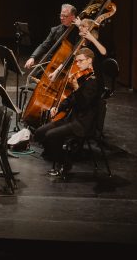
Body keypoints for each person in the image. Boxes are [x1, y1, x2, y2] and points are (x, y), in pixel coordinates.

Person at [33, 48, 103, 177]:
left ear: (89, 60)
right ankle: (57, 156)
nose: (78, 64)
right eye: (76, 61)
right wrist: (58, 108)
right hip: (72, 118)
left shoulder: (94, 82)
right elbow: (71, 98)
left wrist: (76, 87)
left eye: (80, 61)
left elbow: (83, 104)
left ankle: (65, 163)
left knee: (51, 135)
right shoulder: (83, 77)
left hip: (83, 123)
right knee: (40, 132)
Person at [24, 4, 79, 70]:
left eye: (65, 16)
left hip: (70, 66)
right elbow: (44, 45)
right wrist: (33, 57)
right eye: (61, 15)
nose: (61, 18)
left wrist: (81, 26)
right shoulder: (55, 30)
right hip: (52, 63)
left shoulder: (79, 31)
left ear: (73, 17)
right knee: (38, 73)